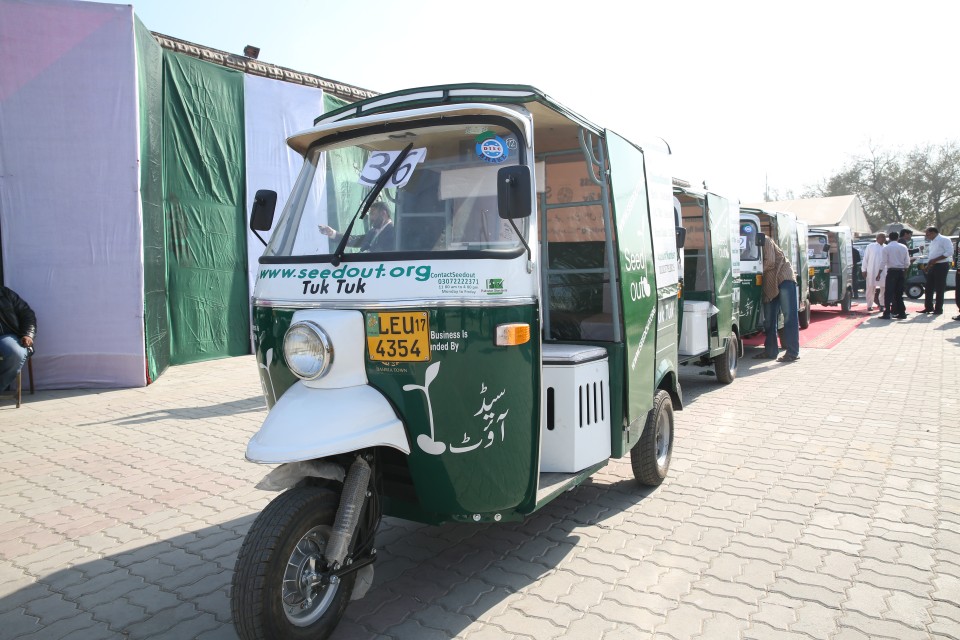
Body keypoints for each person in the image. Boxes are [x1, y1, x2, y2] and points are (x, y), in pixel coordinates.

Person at [754, 235, 800, 362]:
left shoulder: (765, 239)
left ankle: (793, 352)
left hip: (784, 278)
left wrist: (754, 271)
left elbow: (770, 262)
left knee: (789, 316)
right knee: (769, 320)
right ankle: (771, 351)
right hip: (770, 285)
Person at [318, 202, 395, 252]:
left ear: (383, 214)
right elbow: (354, 240)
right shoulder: (373, 232)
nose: (370, 218)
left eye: (373, 214)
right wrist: (333, 233)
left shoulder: (394, 232)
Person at [0, 286, 36, 392]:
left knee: (15, 353)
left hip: (6, 335)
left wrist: (28, 334)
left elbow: (27, 313)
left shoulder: (5, 293)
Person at [921, 226, 953, 315]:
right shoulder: (932, 242)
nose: (927, 236)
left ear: (933, 233)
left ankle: (938, 309)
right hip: (932, 265)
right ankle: (928, 307)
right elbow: (932, 255)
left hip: (941, 265)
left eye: (927, 234)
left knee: (939, 288)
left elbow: (949, 252)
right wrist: (928, 265)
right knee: (928, 287)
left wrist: (936, 259)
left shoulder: (944, 239)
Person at [879, 231, 910, 319]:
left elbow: (883, 262)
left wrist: (879, 272)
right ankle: (902, 313)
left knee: (888, 293)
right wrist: (905, 271)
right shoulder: (903, 247)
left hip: (891, 272)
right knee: (899, 294)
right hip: (901, 271)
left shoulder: (886, 248)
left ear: (889, 238)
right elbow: (907, 261)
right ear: (898, 238)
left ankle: (887, 313)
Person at [861, 232, 887, 312]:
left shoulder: (886, 247)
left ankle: (882, 305)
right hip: (871, 270)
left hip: (883, 271)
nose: (884, 239)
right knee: (870, 288)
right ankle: (869, 305)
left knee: (883, 288)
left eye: (885, 237)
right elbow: (865, 258)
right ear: (877, 238)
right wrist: (864, 270)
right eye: (882, 237)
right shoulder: (870, 246)